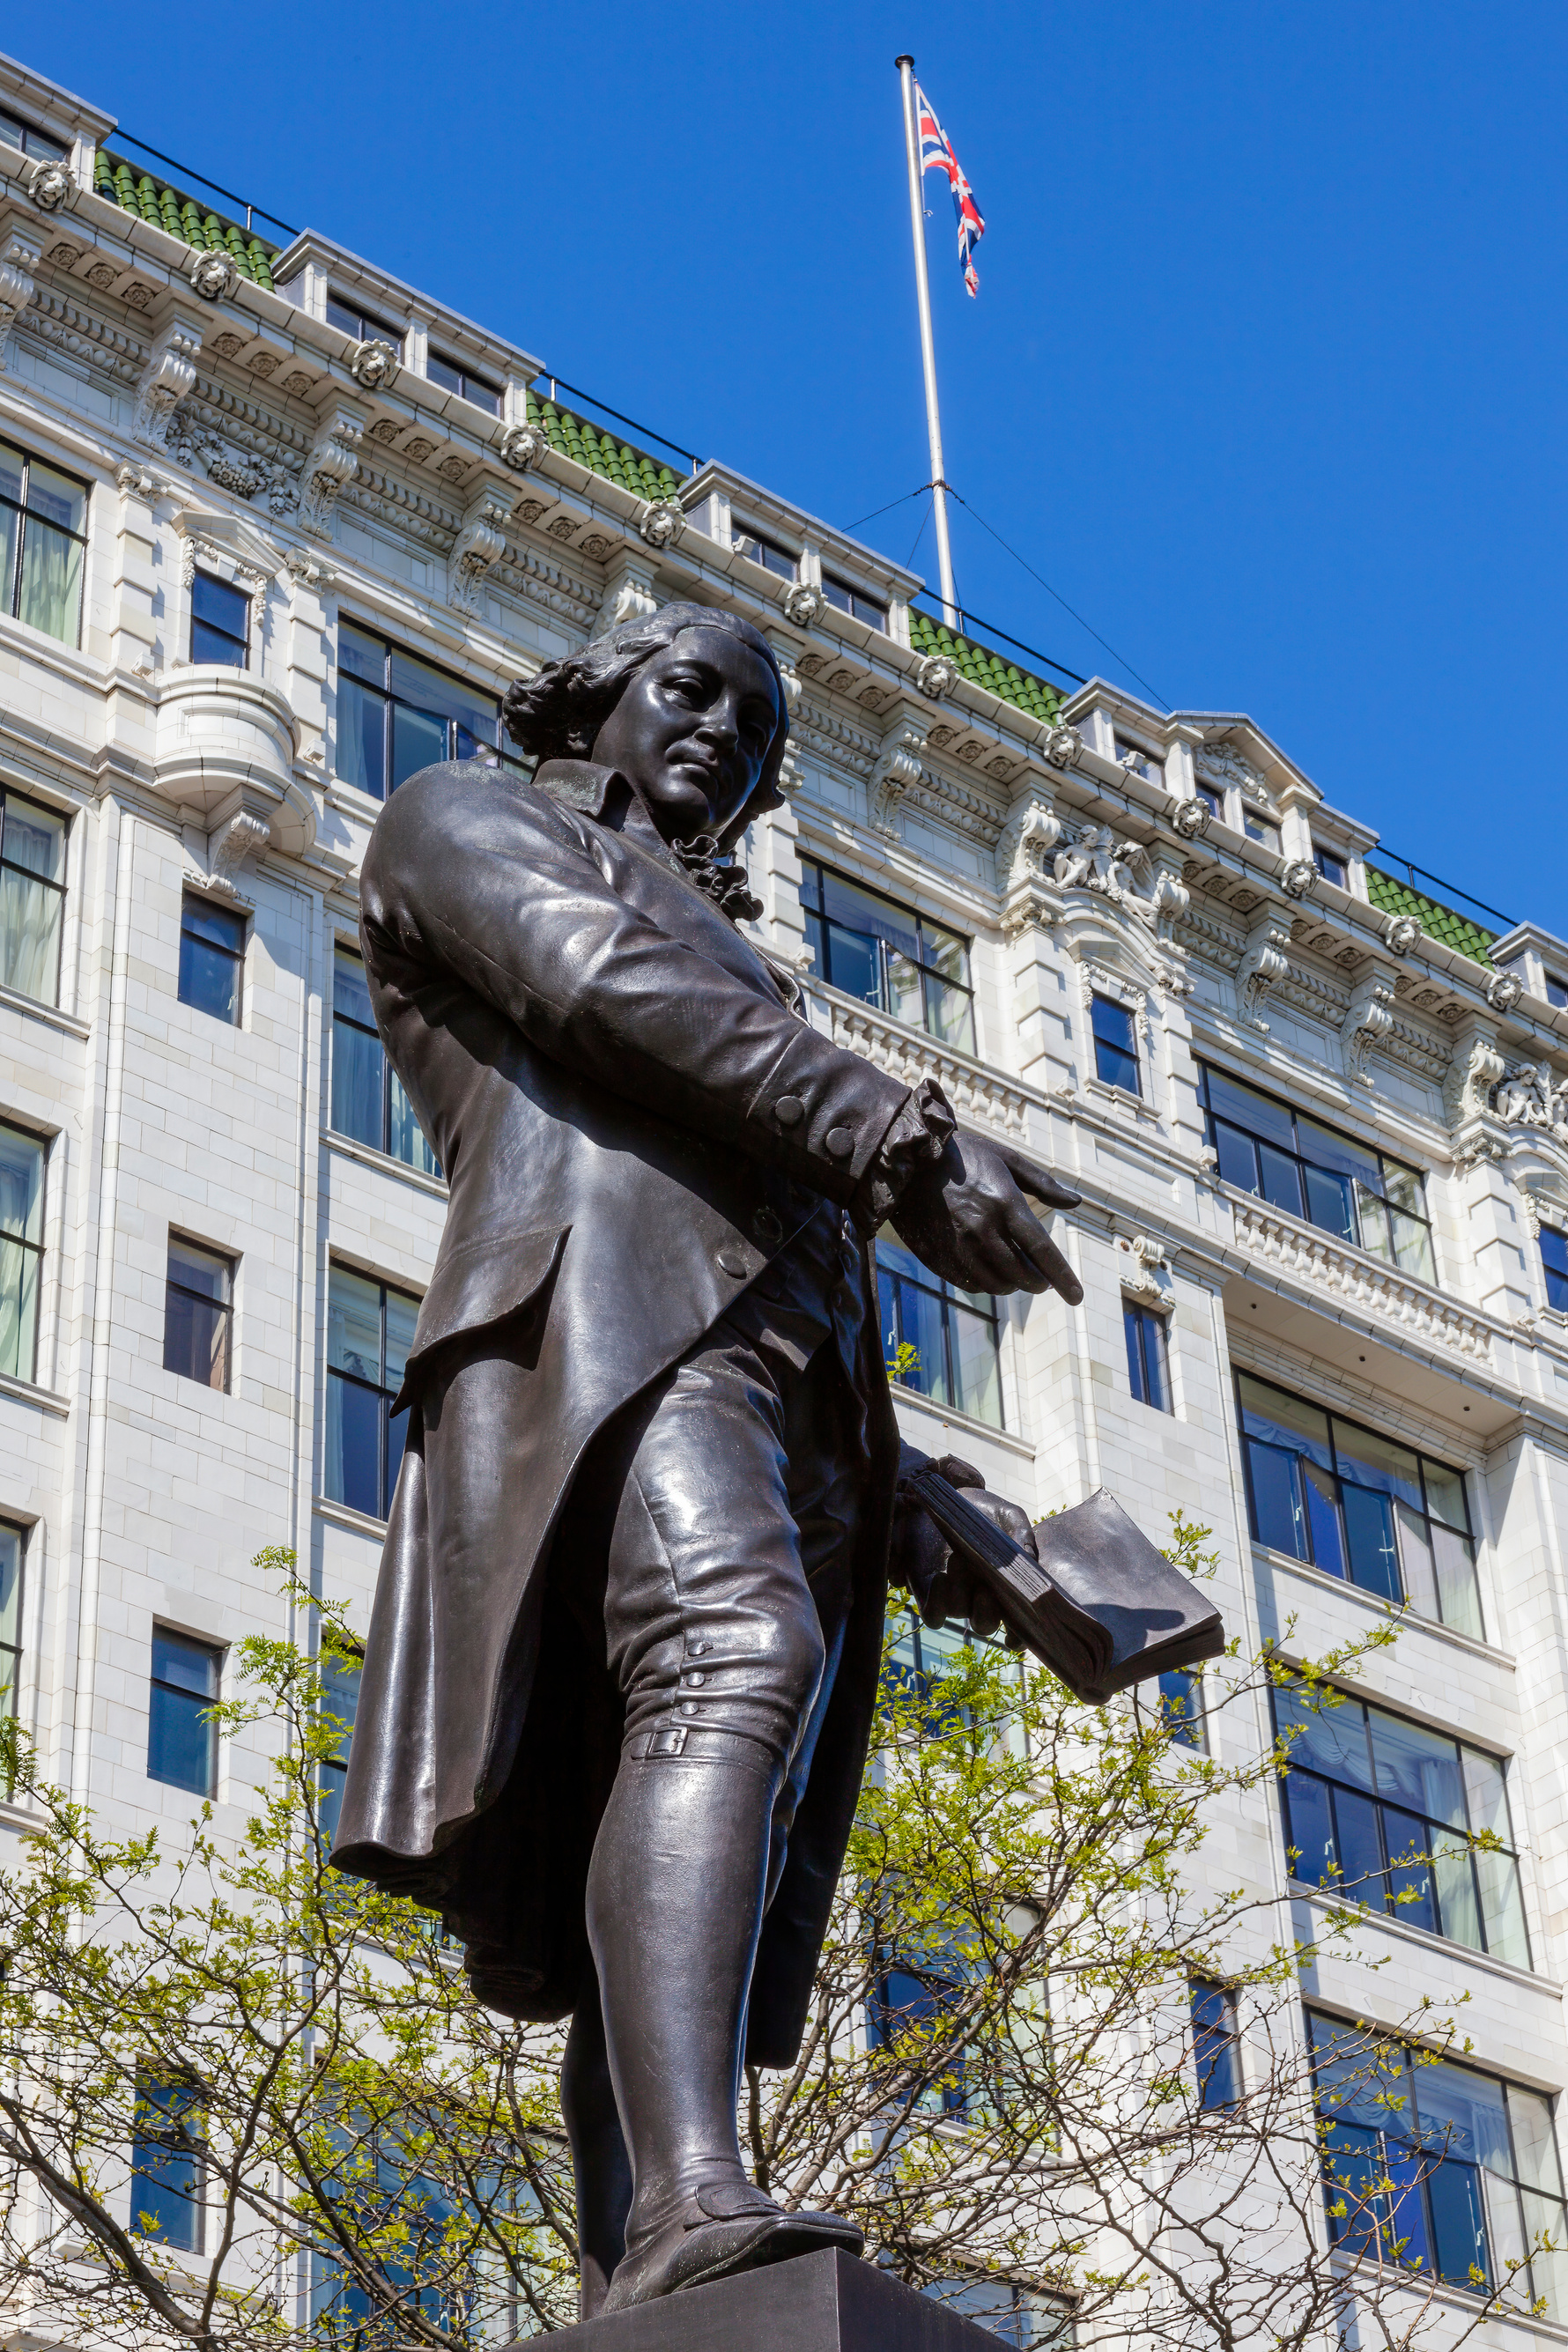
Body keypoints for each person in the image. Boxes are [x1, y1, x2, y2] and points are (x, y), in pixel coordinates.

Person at [329, 603, 1083, 2315]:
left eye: (754, 740)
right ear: (587, 688)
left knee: (685, 1734)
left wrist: (920, 1507)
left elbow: (776, 1237)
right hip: (595, 1339)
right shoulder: (463, 816)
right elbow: (605, 990)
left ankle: (657, 2265)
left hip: (763, 1384)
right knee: (731, 1653)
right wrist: (893, 1135)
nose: (721, 747)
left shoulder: (746, 961)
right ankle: (686, 2205)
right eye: (691, 695)